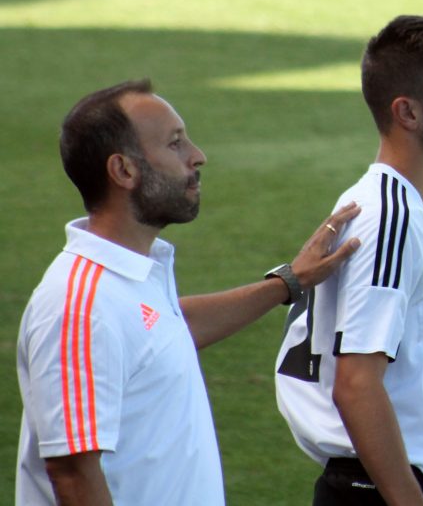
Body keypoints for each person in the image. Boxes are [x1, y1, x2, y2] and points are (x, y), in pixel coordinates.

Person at [16, 79, 362, 506]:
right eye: (176, 144)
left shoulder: (128, 279)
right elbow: (72, 473)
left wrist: (288, 283)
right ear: (124, 170)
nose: (198, 156)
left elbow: (169, 327)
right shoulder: (80, 307)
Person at [275, 15, 423, 506]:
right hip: (376, 488)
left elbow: (406, 389)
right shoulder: (387, 217)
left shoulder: (383, 204)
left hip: (391, 477)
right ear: (408, 113)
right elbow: (356, 385)